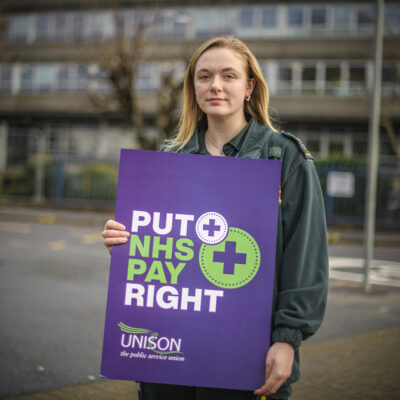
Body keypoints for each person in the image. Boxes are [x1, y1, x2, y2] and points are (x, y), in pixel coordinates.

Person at [102, 36, 329, 400]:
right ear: (193, 87)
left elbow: (305, 256)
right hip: (169, 359)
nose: (216, 86)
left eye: (229, 75)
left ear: (249, 86)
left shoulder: (283, 157)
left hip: (246, 358)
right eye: (204, 76)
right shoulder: (168, 158)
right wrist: (128, 247)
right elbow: (163, 252)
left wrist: (288, 340)